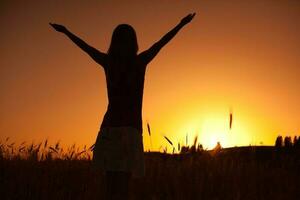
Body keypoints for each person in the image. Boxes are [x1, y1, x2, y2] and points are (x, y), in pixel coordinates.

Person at [50, 12, 195, 200]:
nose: (124, 44)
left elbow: (161, 43)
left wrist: (181, 24)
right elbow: (86, 47)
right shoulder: (129, 61)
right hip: (119, 130)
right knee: (114, 186)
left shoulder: (122, 61)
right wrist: (66, 32)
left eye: (126, 40)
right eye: (121, 40)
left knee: (118, 186)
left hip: (121, 129)